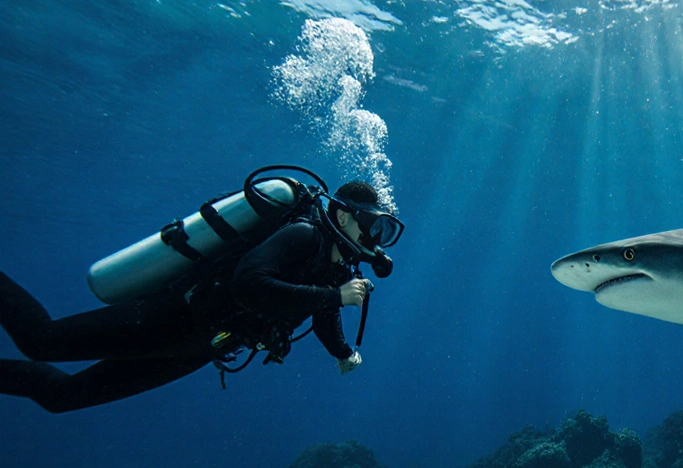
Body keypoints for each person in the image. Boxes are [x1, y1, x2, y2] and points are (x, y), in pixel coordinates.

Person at [0, 180, 402, 413]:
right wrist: (335, 295)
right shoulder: (303, 235)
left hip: (199, 347)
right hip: (173, 318)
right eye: (377, 227)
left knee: (62, 397)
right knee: (41, 340)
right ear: (347, 217)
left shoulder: (336, 267)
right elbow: (248, 285)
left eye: (386, 233)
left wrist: (342, 352)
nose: (379, 240)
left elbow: (317, 311)